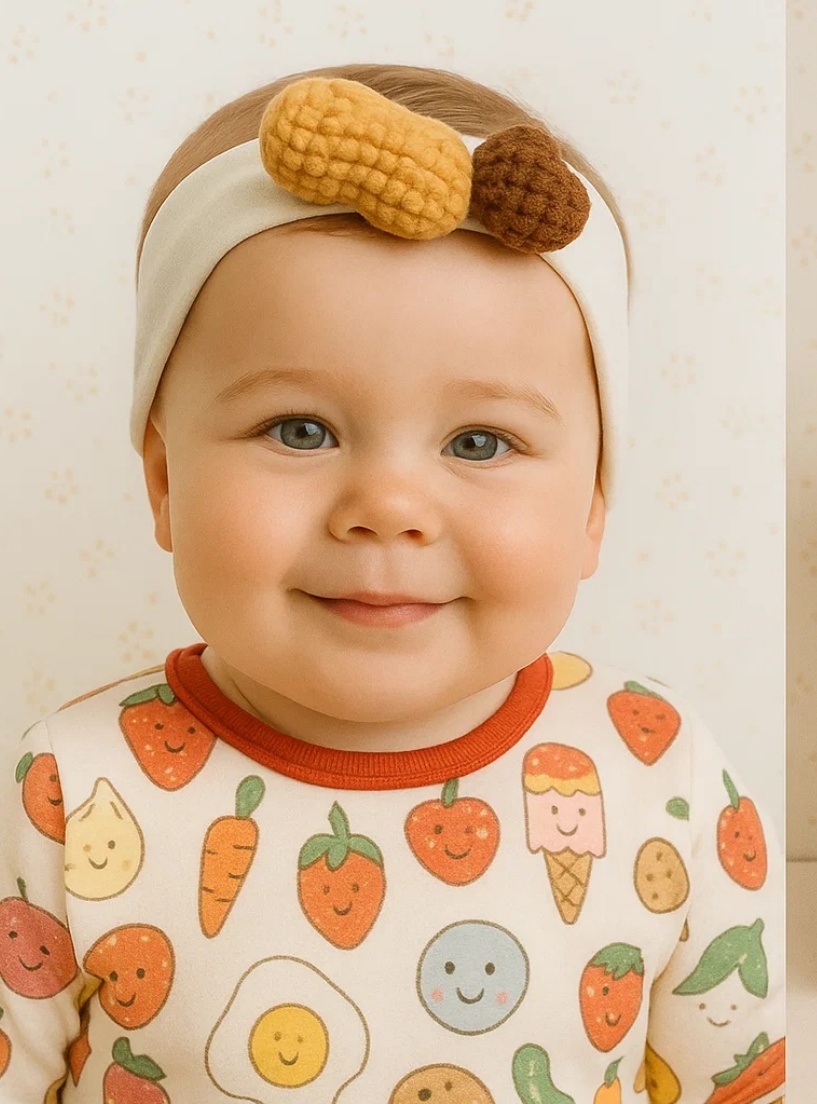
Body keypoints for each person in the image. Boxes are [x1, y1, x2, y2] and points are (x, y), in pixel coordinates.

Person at [0, 63, 784, 1104]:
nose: (387, 504)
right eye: (300, 429)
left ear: (594, 503)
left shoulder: (660, 776)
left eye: (479, 439)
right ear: (164, 481)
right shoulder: (70, 790)